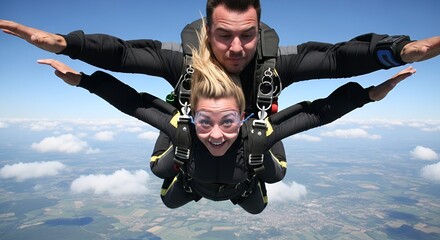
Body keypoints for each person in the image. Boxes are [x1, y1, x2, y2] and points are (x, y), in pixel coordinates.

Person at [1, 0, 438, 179]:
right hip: (190, 127)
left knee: (260, 154)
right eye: (224, 35)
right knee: (179, 137)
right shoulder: (182, 64)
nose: (236, 48)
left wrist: (400, 51)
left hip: (254, 132)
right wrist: (67, 45)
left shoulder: (275, 66)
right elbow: (123, 55)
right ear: (208, 30)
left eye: (247, 35)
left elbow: (340, 58)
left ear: (259, 30)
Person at [37, 35, 415, 213]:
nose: (216, 133)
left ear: (244, 117)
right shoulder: (181, 127)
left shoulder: (256, 133)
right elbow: (134, 103)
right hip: (191, 180)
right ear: (191, 114)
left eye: (228, 121)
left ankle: (231, 169)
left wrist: (369, 94)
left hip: (239, 184)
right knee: (163, 182)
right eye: (205, 121)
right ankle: (189, 164)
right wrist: (83, 79)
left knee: (266, 184)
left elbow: (317, 112)